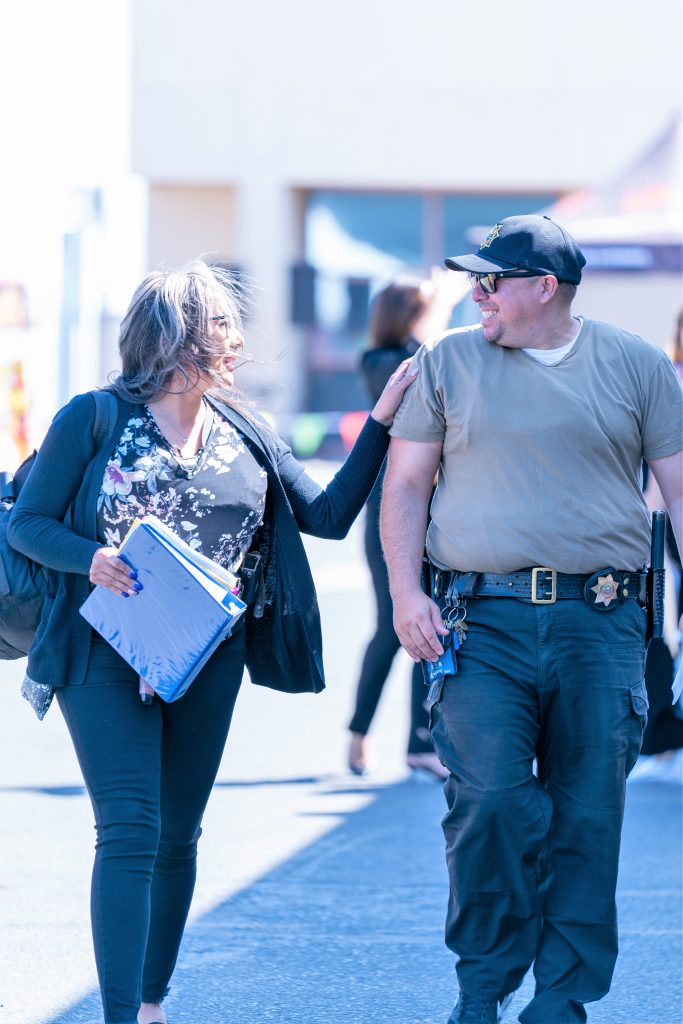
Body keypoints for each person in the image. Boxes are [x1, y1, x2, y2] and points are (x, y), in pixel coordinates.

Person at [7, 260, 416, 1024]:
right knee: (129, 828)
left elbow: (325, 517)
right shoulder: (92, 418)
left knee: (180, 835)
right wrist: (89, 558)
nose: (233, 343)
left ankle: (154, 1002)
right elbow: (26, 522)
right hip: (103, 647)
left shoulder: (244, 428)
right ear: (173, 339)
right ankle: (121, 1015)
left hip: (205, 655)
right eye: (218, 327)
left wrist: (384, 420)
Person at [380, 215, 683, 1024]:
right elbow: (406, 484)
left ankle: (560, 1000)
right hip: (481, 625)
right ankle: (481, 991)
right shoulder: (446, 361)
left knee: (588, 813)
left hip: (604, 625)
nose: (475, 293)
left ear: (541, 288)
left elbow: (680, 492)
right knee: (488, 804)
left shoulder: (639, 365)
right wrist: (407, 594)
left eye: (490, 281)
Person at [348, 270, 465, 779]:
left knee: (429, 621)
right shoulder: (383, 363)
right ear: (409, 317)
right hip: (392, 511)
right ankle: (360, 733)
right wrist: (445, 303)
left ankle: (420, 741)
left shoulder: (409, 355)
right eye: (425, 309)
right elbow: (427, 360)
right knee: (392, 627)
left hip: (431, 507)